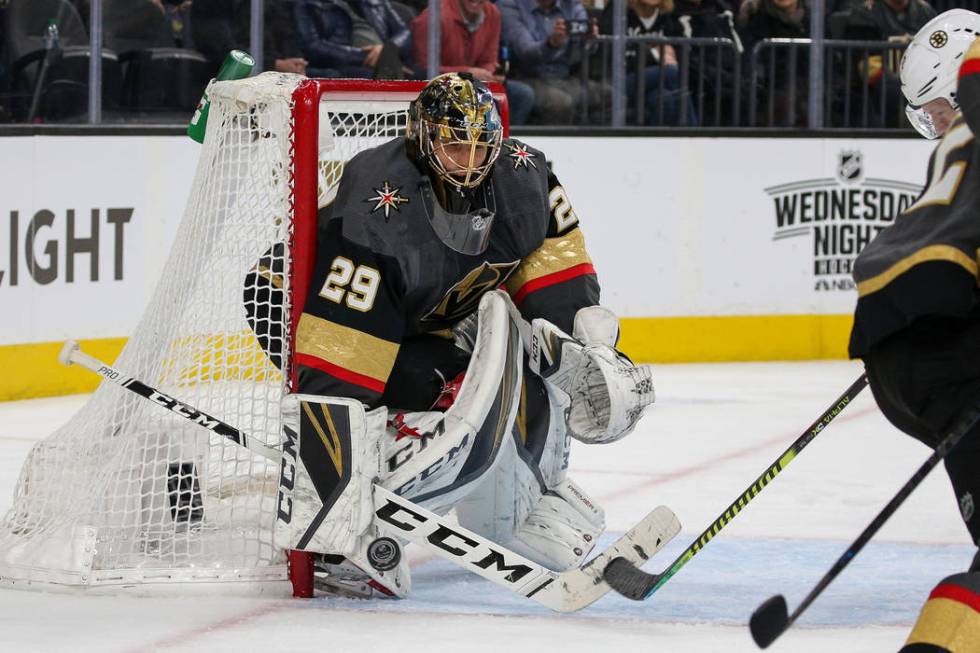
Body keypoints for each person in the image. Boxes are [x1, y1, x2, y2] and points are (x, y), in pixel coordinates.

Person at [246, 72, 656, 597]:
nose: (469, 161)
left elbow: (557, 280)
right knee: (433, 394)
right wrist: (333, 489)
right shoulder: (374, 207)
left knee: (530, 366)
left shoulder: (525, 178)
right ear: (422, 138)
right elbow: (341, 353)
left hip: (412, 313)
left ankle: (529, 502)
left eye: (481, 145)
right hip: (291, 300)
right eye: (453, 145)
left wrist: (590, 350)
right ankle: (344, 533)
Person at [849, 10, 980, 647]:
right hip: (951, 343)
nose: (935, 125)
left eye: (936, 109)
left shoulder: (960, 149)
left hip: (901, 336)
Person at [410, 0, 535, 125]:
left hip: (476, 84)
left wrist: (490, 74)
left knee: (522, 95)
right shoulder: (431, 18)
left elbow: (489, 60)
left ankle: (500, 141)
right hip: (440, 87)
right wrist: (467, 73)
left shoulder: (492, 13)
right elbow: (423, 70)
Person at [499, 0, 607, 124]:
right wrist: (551, 44)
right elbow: (525, 51)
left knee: (610, 97)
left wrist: (587, 42)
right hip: (526, 77)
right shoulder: (509, 5)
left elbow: (578, 55)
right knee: (560, 103)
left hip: (565, 77)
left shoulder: (572, 6)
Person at [598, 0, 698, 126]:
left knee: (663, 98)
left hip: (658, 82)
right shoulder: (617, 12)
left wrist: (671, 55)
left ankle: (657, 142)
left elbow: (679, 51)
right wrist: (654, 54)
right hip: (621, 81)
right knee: (672, 72)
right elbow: (614, 55)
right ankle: (694, 132)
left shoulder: (668, 16)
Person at [294, 0, 416, 79]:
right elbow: (312, 45)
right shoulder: (309, 4)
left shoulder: (377, 3)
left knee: (427, 78)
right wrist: (366, 57)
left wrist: (387, 51)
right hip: (345, 66)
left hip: (388, 61)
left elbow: (404, 32)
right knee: (373, 78)